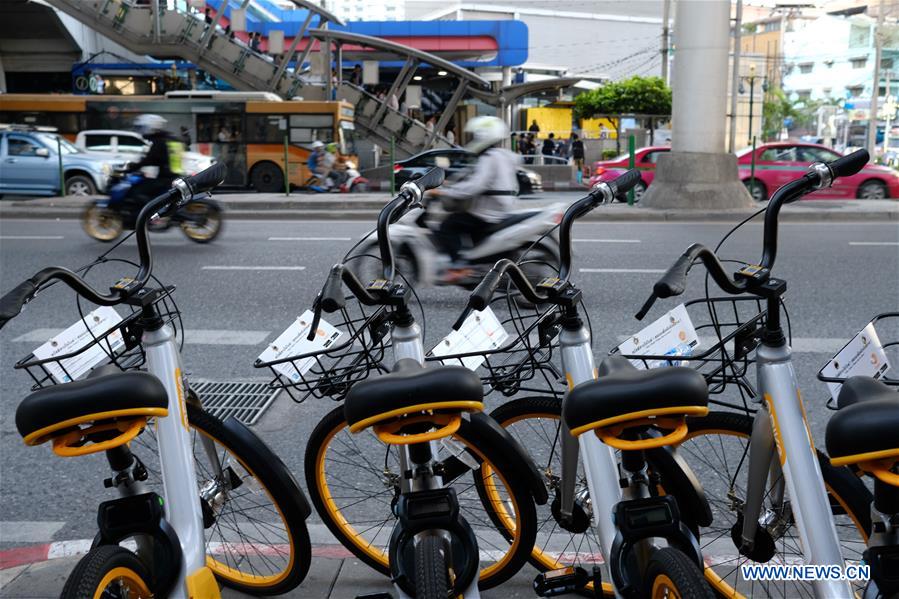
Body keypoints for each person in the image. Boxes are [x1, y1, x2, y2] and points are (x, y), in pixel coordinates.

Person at [431, 116, 521, 282]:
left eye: (475, 135)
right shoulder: (504, 155)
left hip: (487, 211)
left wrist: (447, 192)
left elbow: (475, 185)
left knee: (448, 225)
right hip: (502, 208)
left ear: (483, 135)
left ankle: (459, 266)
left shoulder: (489, 157)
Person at [130, 114, 184, 205]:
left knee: (136, 192)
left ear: (150, 127)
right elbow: (160, 159)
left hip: (165, 179)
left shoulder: (159, 141)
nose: (141, 131)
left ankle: (151, 211)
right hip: (176, 176)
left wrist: (132, 167)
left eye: (142, 128)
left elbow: (150, 159)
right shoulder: (172, 139)